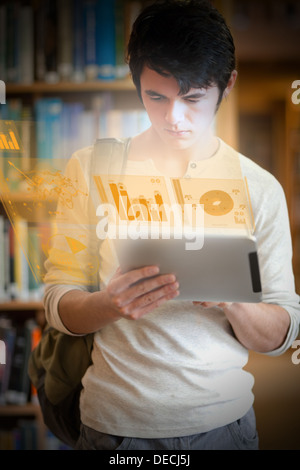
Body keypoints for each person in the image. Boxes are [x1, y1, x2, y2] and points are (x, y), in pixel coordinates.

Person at [43, 0, 300, 450]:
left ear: (228, 85)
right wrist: (108, 304)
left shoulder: (259, 188)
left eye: (194, 98)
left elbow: (283, 333)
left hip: (223, 426)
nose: (174, 118)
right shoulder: (89, 169)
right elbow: (57, 300)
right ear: (136, 83)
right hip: (112, 426)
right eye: (155, 97)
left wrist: (234, 300)